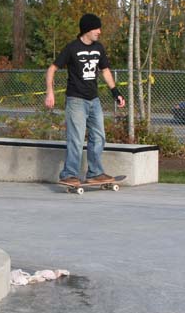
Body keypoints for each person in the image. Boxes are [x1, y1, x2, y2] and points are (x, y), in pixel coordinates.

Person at [44, 13, 126, 187]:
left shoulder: (99, 48)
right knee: (76, 138)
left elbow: (105, 71)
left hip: (93, 100)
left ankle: (95, 173)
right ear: (87, 29)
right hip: (76, 100)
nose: (99, 32)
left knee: (99, 136)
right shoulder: (72, 48)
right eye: (97, 28)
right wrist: (50, 92)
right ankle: (69, 174)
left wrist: (116, 92)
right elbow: (52, 69)